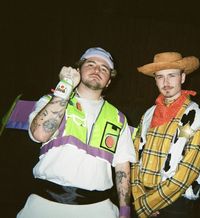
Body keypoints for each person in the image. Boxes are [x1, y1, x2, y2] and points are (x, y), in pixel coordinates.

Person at [17, 47, 136, 218]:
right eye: (91, 64)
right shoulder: (51, 101)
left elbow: (122, 167)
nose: (97, 70)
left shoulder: (118, 118)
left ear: (109, 81)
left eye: (104, 68)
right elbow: (40, 134)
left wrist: (125, 210)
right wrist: (65, 86)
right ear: (78, 70)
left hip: (99, 209)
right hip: (44, 206)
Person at [131, 51, 200, 218]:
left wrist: (146, 204)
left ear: (182, 78)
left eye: (172, 76)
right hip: (143, 198)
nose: (166, 82)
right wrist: (139, 195)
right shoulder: (147, 115)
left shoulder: (199, 118)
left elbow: (187, 172)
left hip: (176, 206)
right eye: (160, 77)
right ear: (155, 79)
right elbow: (135, 157)